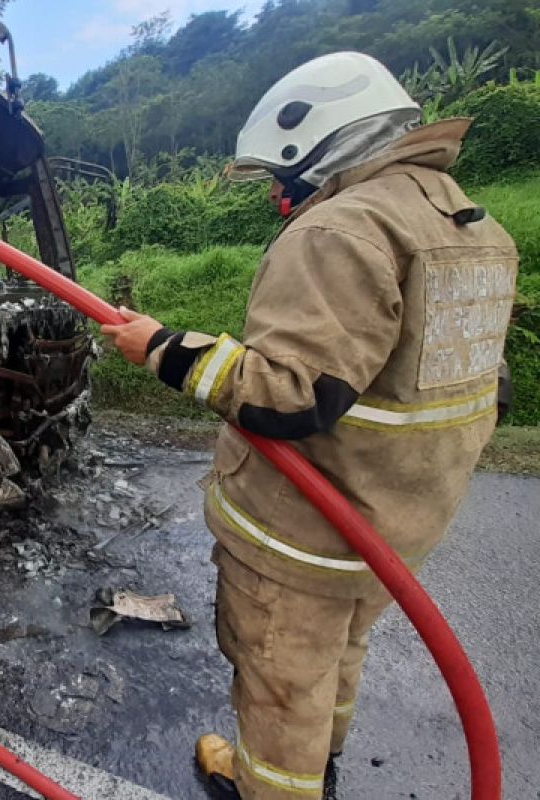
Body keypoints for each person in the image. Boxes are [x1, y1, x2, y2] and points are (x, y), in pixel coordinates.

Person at [99, 52, 518, 799]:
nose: (277, 195)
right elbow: (491, 387)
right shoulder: (472, 226)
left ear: (319, 145)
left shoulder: (342, 230)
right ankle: (320, 763)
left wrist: (162, 348)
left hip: (306, 538)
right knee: (340, 654)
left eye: (282, 178)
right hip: (393, 530)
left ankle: (278, 782)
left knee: (281, 683)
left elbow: (290, 397)